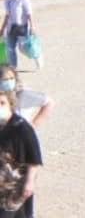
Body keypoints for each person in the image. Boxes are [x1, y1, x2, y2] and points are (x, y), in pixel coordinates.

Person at [0, 88, 40, 218]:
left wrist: (30, 182)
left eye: (2, 103)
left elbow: (34, 159)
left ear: (11, 104)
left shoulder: (22, 128)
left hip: (14, 188)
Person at [0, 0, 33, 72]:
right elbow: (7, 15)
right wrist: (2, 28)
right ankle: (14, 68)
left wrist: (32, 26)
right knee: (10, 48)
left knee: (23, 48)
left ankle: (36, 55)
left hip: (22, 27)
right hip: (11, 27)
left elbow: (29, 13)